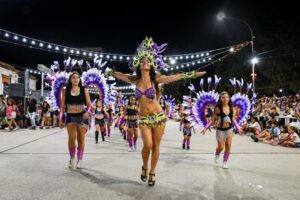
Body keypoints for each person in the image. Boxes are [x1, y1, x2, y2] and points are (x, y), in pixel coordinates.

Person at [106, 37, 206, 186]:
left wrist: (192, 74)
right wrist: (110, 73)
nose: (145, 62)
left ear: (151, 64)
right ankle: (144, 166)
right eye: (143, 61)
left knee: (156, 146)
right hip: (144, 119)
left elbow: (175, 77)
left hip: (159, 117)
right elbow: (121, 75)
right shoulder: (135, 80)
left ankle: (152, 171)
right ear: (138, 64)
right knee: (148, 145)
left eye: (148, 61)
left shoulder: (156, 79)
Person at [201, 91, 243, 169]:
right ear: (220, 99)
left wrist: (239, 128)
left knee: (228, 147)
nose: (225, 99)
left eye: (227, 97)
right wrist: (206, 128)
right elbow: (212, 120)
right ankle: (217, 154)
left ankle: (225, 162)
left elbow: (233, 119)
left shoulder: (231, 108)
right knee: (220, 147)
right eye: (223, 97)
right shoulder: (217, 109)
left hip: (229, 130)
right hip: (220, 130)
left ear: (229, 98)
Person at [59, 71, 92, 170]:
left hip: (82, 117)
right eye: (73, 77)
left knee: (81, 139)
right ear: (70, 79)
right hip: (70, 117)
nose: (76, 79)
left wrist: (88, 112)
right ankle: (72, 158)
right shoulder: (66, 91)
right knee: (72, 138)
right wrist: (61, 118)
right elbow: (62, 106)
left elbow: (90, 104)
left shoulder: (84, 90)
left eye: (77, 77)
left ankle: (80, 159)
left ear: (79, 79)